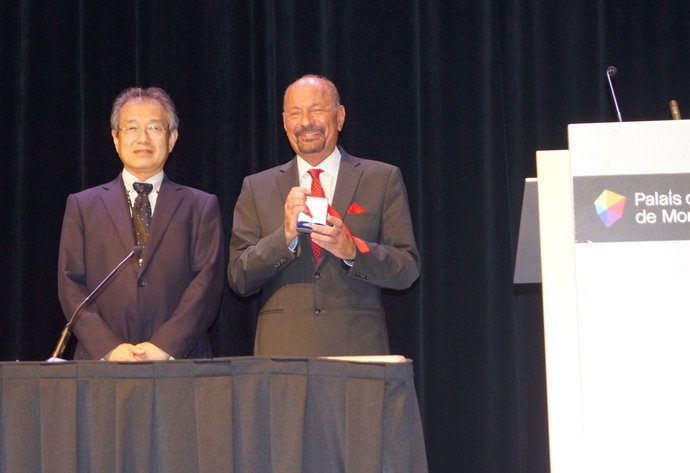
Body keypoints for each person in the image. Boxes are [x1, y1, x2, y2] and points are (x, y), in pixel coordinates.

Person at [228, 74, 420, 356]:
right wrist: (285, 238)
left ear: (339, 117)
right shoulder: (257, 187)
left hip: (357, 352)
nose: (306, 122)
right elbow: (238, 277)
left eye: (316, 109)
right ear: (284, 122)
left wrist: (353, 250)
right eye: (295, 113)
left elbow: (407, 268)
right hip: (282, 355)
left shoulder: (381, 178)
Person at [57, 87, 224, 361]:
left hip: (181, 361)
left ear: (172, 139)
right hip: (102, 365)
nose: (143, 138)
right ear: (115, 138)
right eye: (132, 128)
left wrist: (165, 346)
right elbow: (70, 284)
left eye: (155, 128)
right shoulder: (83, 206)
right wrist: (108, 347)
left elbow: (207, 283)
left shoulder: (201, 205)